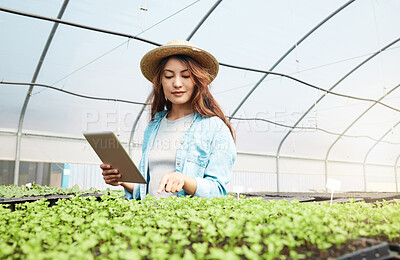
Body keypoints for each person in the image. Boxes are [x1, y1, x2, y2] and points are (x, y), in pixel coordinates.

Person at [100, 39, 236, 199]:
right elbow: (148, 188)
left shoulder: (215, 128)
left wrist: (185, 180)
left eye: (186, 76)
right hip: (149, 221)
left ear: (198, 81)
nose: (177, 83)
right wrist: (123, 180)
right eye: (169, 76)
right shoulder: (154, 126)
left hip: (188, 222)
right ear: (161, 82)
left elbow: (217, 191)